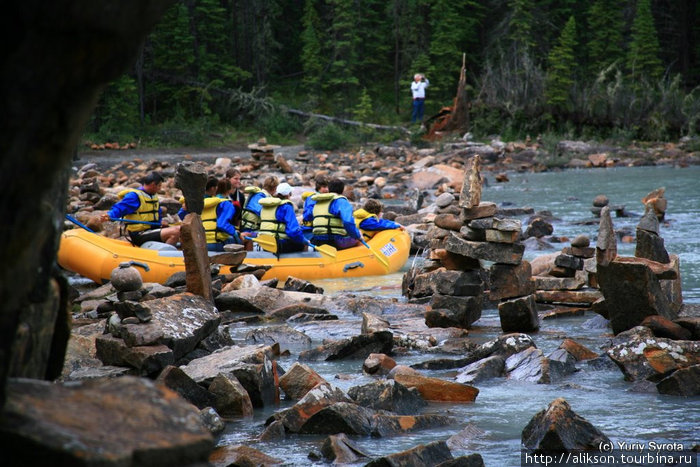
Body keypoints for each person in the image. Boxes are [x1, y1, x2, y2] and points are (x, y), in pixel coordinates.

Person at [102, 171, 180, 246]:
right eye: (159, 186)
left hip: (152, 230)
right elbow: (120, 208)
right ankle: (163, 257)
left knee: (181, 230)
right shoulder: (134, 196)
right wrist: (109, 215)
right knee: (176, 231)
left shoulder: (152, 196)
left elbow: (156, 213)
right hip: (139, 234)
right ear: (153, 184)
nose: (160, 189)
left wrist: (161, 222)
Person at [310, 178, 362, 250]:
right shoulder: (340, 201)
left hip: (317, 240)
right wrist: (357, 235)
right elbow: (347, 221)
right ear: (342, 190)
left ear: (329, 188)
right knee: (359, 237)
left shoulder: (318, 202)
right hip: (333, 241)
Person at [256, 182, 307, 254]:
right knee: (303, 244)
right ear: (288, 194)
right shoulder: (286, 206)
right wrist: (303, 240)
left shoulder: (266, 206)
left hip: (264, 242)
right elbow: (293, 231)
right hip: (278, 244)